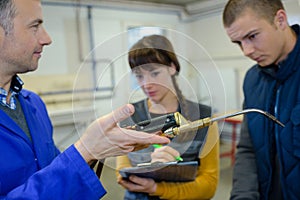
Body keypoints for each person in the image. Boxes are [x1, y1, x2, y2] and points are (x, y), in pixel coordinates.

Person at [0, 0, 170, 199]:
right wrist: (85, 150)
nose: (47, 38)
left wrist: (96, 151)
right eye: (35, 26)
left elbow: (53, 171)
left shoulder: (33, 104)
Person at [116, 34, 220, 200]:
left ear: (172, 67)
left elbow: (209, 185)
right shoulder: (128, 117)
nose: (146, 84)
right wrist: (149, 167)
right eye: (139, 76)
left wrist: (157, 188)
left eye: (154, 73)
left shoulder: (204, 118)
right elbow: (121, 175)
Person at [222, 0, 300, 199]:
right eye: (239, 42)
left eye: (252, 36)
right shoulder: (252, 80)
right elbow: (248, 150)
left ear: (280, 20)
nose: (246, 51)